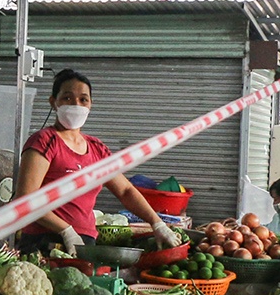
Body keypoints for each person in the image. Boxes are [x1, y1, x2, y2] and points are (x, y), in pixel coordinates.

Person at [15, 68, 180, 255]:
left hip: (85, 242)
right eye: (67, 98)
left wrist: (156, 222)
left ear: (90, 105)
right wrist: (65, 230)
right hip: (43, 241)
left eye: (83, 99)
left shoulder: (96, 149)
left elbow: (125, 191)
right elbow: (25, 199)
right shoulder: (44, 141)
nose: (76, 104)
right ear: (54, 102)